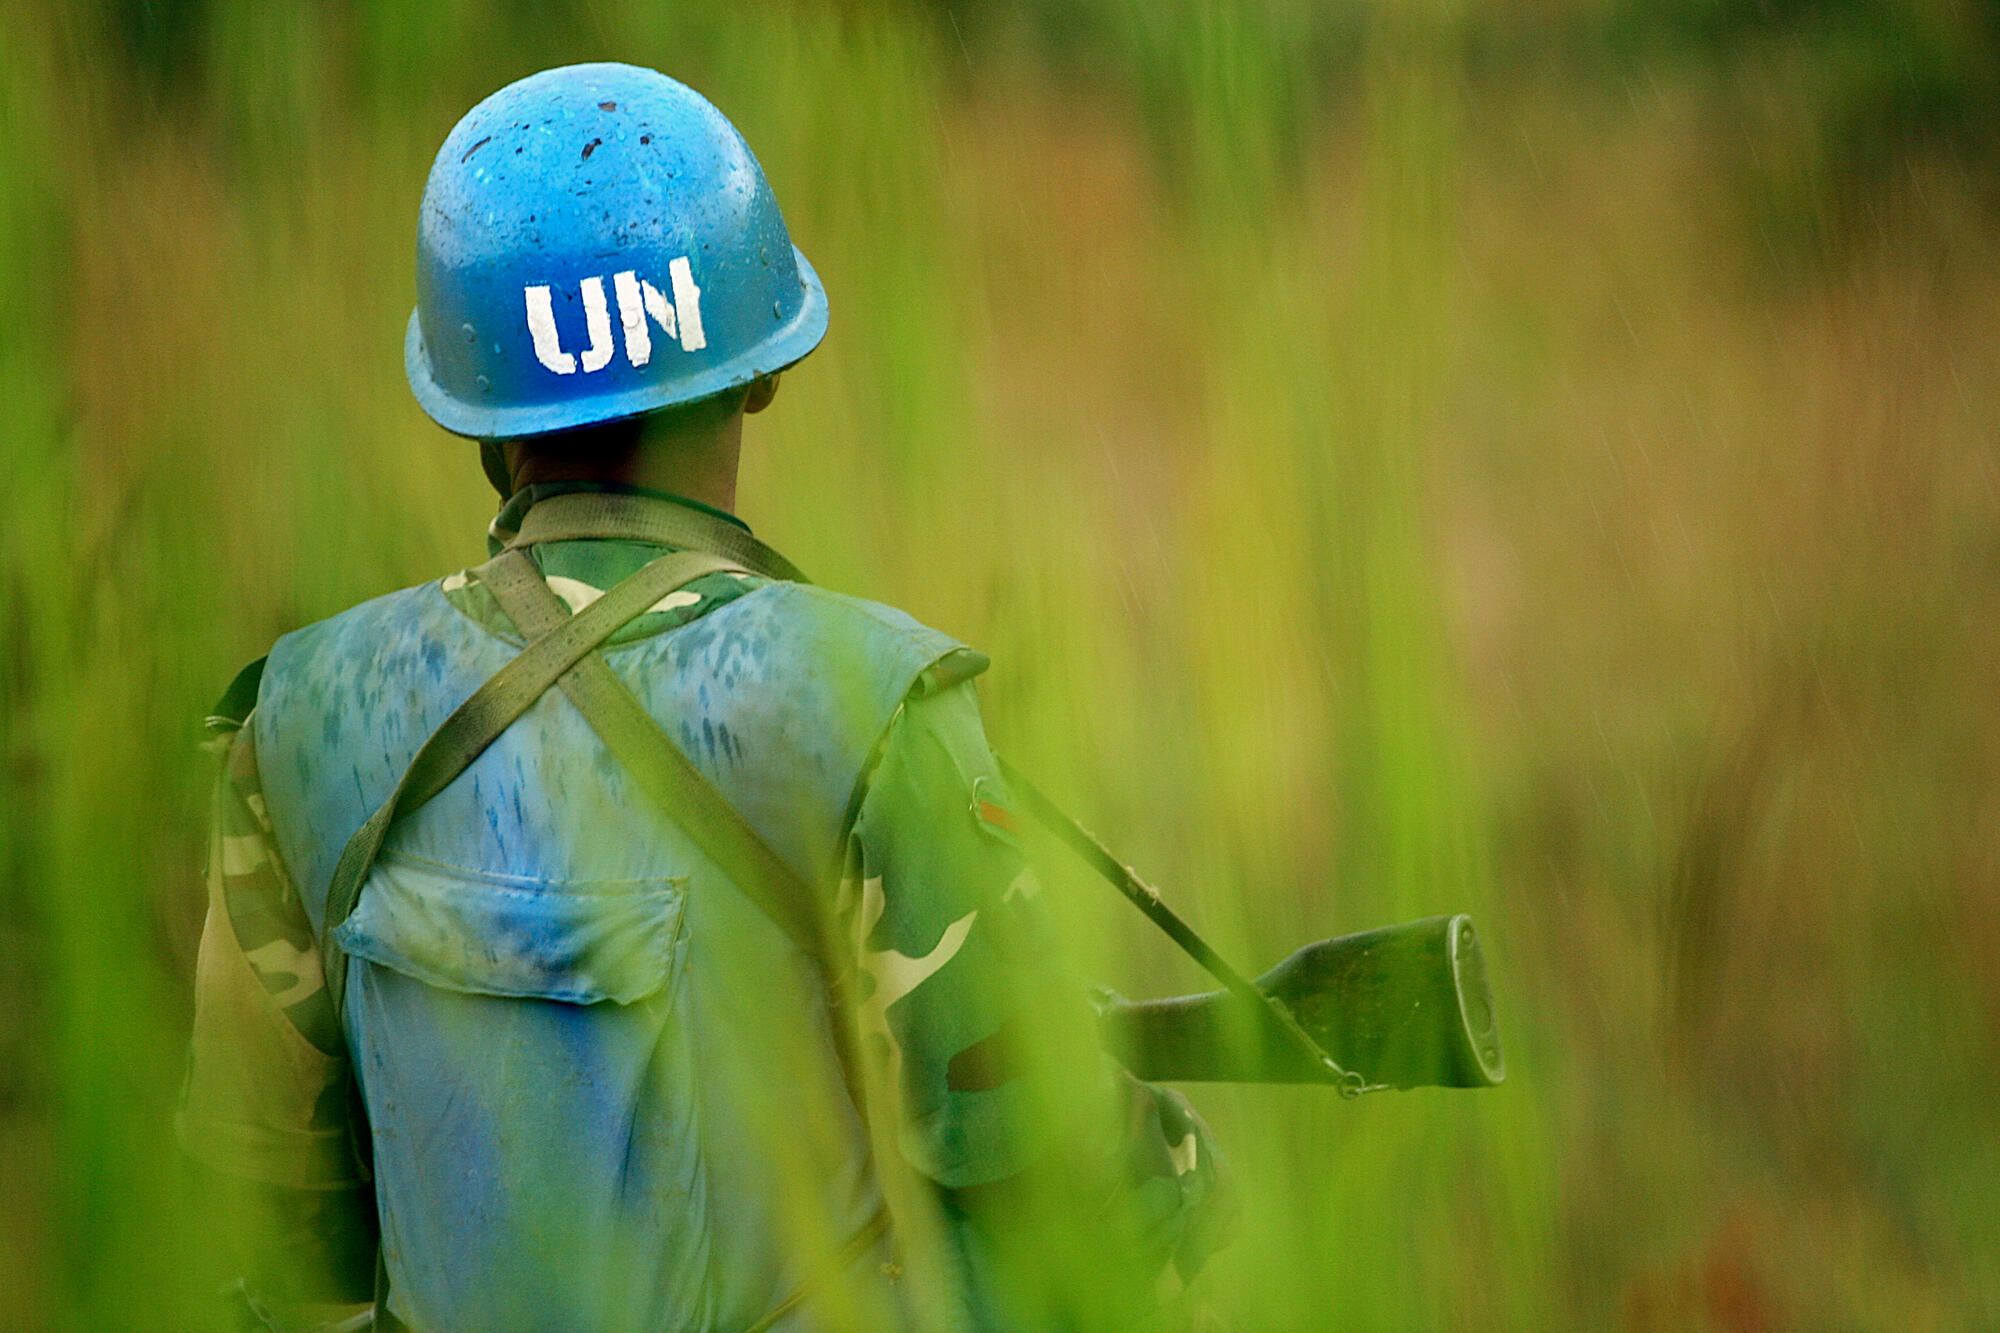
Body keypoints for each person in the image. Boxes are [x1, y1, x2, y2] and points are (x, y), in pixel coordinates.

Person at [178, 62, 1233, 1333]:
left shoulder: (296, 723)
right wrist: (1179, 1172)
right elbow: (1061, 1198)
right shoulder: (867, 704)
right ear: (756, 371)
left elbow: (274, 1228)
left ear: (471, 408)